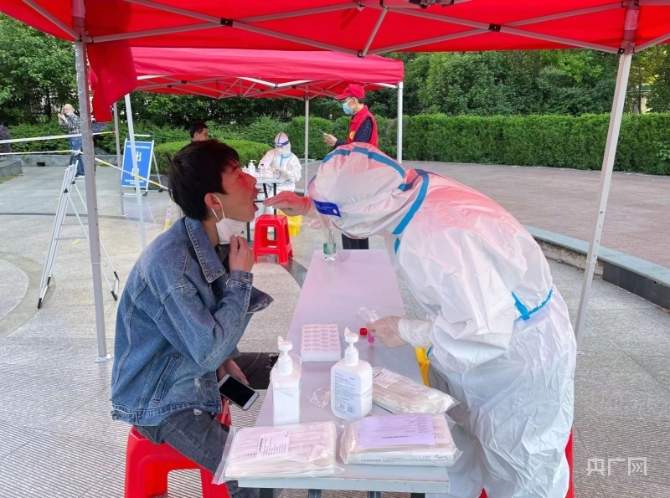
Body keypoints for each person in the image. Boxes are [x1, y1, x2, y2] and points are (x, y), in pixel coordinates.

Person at [265, 143, 576, 498]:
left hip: (518, 360)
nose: (338, 224)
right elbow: (358, 207)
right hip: (483, 343)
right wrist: (310, 207)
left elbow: (482, 332)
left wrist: (406, 330)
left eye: (337, 216)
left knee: (521, 469)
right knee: (451, 449)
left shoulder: (441, 236)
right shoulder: (405, 194)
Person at [111, 139, 270, 498]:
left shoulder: (207, 241)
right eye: (238, 175)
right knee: (256, 478)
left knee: (287, 367)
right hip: (160, 398)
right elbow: (207, 351)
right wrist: (241, 278)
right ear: (214, 201)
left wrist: (226, 359)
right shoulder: (172, 262)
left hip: (191, 366)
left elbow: (206, 337)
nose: (253, 181)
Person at [323, 84, 378, 250]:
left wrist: (336, 143)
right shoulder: (357, 119)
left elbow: (358, 148)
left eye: (345, 100)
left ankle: (357, 256)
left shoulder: (365, 119)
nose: (343, 104)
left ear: (354, 100)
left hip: (360, 178)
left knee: (355, 221)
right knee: (351, 221)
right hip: (353, 176)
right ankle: (355, 256)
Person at [58, 104, 85, 177]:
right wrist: (60, 119)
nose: (66, 111)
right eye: (65, 109)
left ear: (72, 109)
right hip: (72, 138)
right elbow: (63, 126)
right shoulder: (68, 118)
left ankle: (74, 173)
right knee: (77, 155)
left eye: (67, 109)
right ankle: (81, 172)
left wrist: (64, 119)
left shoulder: (75, 117)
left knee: (74, 156)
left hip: (77, 138)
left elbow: (72, 126)